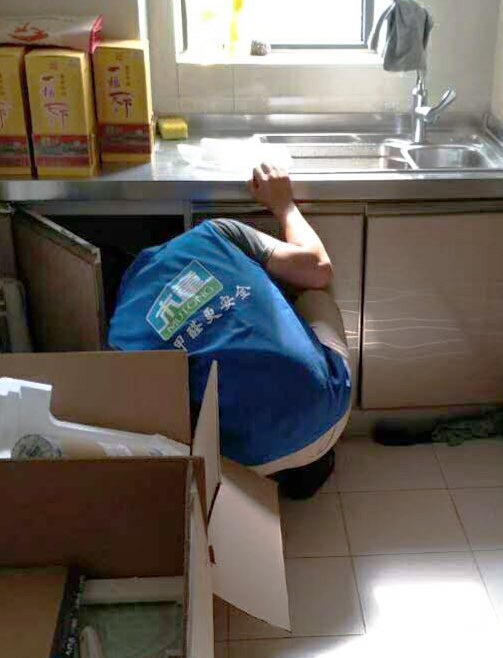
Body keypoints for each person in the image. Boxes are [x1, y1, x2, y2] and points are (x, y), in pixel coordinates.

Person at [108, 163, 351, 497]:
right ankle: (311, 455)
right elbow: (318, 269)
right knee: (313, 292)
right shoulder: (215, 233)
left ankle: (275, 471)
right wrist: (284, 205)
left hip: (240, 462)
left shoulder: (122, 333)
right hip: (328, 409)